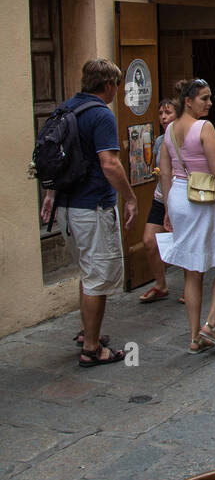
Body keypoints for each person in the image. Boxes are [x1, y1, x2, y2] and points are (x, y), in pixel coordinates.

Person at [40, 58, 137, 367]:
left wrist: (50, 194)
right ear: (108, 85)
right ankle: (93, 349)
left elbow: (58, 158)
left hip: (66, 208)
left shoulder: (64, 109)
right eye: (116, 86)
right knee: (97, 277)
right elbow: (110, 163)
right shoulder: (100, 115)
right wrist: (130, 197)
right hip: (92, 207)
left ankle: (87, 332)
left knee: (87, 271)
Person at [157, 78, 215, 352]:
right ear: (188, 101)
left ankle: (195, 337)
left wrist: (168, 209)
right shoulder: (204, 127)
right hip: (203, 197)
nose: (209, 103)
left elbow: (166, 172)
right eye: (204, 98)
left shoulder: (170, 129)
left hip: (179, 197)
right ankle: (212, 323)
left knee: (191, 270)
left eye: (209, 98)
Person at [139, 98, 180, 303]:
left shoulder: (184, 140)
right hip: (160, 197)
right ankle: (161, 284)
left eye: (168, 113)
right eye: (161, 113)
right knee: (148, 241)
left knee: (184, 243)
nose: (163, 117)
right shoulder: (158, 141)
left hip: (180, 198)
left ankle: (191, 286)